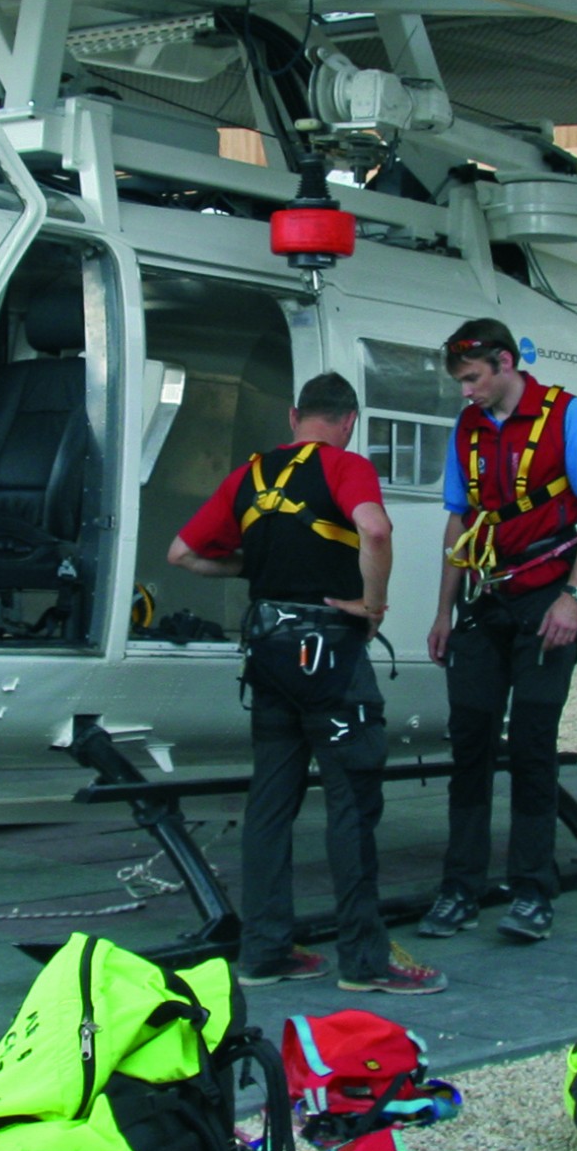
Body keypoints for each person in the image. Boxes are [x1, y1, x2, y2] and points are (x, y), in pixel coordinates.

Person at [169, 372, 445, 995]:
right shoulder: (345, 467)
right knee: (351, 802)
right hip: (329, 656)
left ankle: (265, 951)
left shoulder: (249, 476)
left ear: (294, 416)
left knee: (270, 803)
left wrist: (253, 566)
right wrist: (372, 606)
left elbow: (181, 554)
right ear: (348, 421)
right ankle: (366, 961)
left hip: (266, 653)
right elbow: (374, 530)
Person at [416, 319, 577, 945]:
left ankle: (533, 889)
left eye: (473, 378)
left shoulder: (566, 415)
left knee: (532, 743)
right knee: (469, 743)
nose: (466, 391)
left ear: (505, 363)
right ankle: (460, 886)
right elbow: (459, 523)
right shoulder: (468, 428)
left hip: (546, 601)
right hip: (487, 598)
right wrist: (443, 611)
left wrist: (573, 599)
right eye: (460, 381)